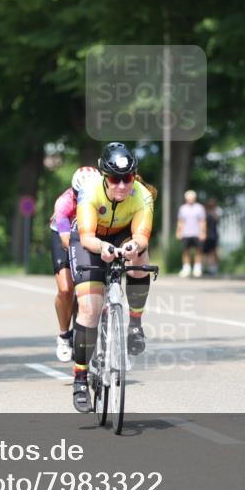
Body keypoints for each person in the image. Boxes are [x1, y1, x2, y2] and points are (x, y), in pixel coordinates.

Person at [69, 143, 156, 412]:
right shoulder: (89, 192)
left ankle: (135, 324)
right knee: (89, 309)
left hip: (122, 235)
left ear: (134, 177)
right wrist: (102, 248)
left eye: (127, 179)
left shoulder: (142, 196)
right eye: (115, 179)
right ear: (104, 176)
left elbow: (141, 236)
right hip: (90, 240)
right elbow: (86, 237)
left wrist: (133, 246)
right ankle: (81, 378)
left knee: (140, 257)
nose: (121, 185)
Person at [49, 166, 101, 362]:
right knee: (66, 289)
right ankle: (64, 335)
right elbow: (65, 239)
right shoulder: (64, 202)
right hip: (64, 237)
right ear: (74, 191)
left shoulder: (103, 197)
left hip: (90, 236)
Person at [176, 190, 206, 277]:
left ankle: (197, 268)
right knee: (185, 251)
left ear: (194, 198)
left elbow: (202, 221)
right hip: (186, 233)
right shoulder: (183, 208)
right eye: (188, 198)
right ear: (186, 199)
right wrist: (179, 231)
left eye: (192, 198)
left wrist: (203, 232)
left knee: (199, 251)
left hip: (197, 233)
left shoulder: (199, 208)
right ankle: (186, 268)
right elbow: (180, 221)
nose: (190, 200)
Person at [203, 197, 222, 275]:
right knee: (205, 252)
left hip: (213, 234)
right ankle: (204, 267)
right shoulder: (205, 211)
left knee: (213, 251)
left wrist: (212, 211)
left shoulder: (218, 210)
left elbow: (217, 220)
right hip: (206, 234)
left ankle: (214, 267)